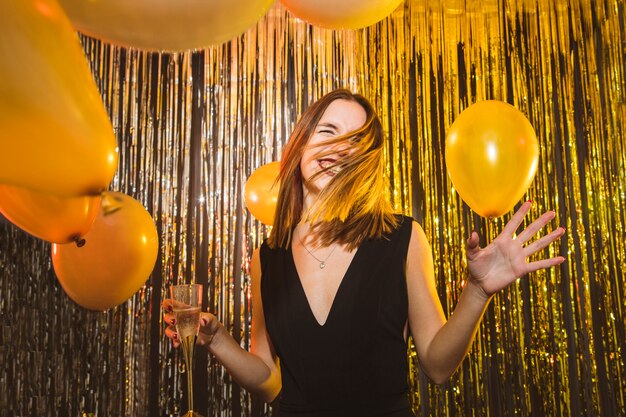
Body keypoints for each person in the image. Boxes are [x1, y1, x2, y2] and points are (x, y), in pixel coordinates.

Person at [163, 89, 566, 417]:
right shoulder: (267, 257)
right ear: (301, 141)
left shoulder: (403, 238)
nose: (339, 147)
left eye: (354, 142)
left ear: (365, 162)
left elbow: (438, 367)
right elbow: (270, 380)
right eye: (328, 131)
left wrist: (476, 293)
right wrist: (215, 339)